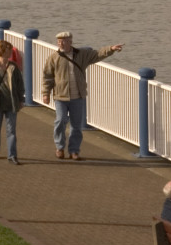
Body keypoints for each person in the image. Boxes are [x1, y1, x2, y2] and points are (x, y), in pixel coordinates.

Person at [42, 31, 123, 160]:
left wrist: (111, 49)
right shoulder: (53, 58)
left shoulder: (81, 54)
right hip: (60, 97)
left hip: (78, 97)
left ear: (70, 42)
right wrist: (45, 93)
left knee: (76, 125)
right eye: (59, 41)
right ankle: (60, 147)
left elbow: (97, 54)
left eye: (63, 41)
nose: (61, 43)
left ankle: (74, 151)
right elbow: (47, 77)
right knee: (60, 120)